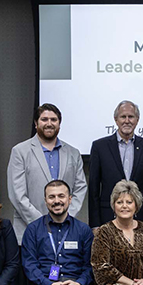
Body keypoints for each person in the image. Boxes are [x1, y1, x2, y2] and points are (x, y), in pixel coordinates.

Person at [7, 103, 87, 243]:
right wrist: (42, 223)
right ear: (36, 123)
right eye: (44, 119)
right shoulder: (20, 152)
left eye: (53, 120)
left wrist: (65, 218)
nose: (49, 123)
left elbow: (80, 188)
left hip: (66, 230)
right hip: (30, 229)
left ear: (59, 124)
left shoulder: (73, 153)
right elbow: (17, 194)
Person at [88, 100, 143, 227]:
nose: (127, 121)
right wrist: (95, 225)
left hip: (142, 219)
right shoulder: (100, 147)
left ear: (137, 120)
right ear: (116, 120)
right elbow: (94, 190)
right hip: (108, 218)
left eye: (131, 117)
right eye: (123, 117)